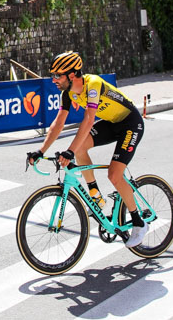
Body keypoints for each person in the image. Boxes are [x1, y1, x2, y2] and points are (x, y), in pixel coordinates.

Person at [30, 51, 148, 248]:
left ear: (72, 75)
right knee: (80, 148)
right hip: (111, 122)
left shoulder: (92, 84)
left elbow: (89, 119)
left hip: (130, 123)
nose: (54, 80)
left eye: (58, 75)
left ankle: (139, 222)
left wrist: (69, 151)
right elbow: (58, 123)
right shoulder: (67, 94)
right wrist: (40, 151)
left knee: (114, 175)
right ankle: (95, 193)